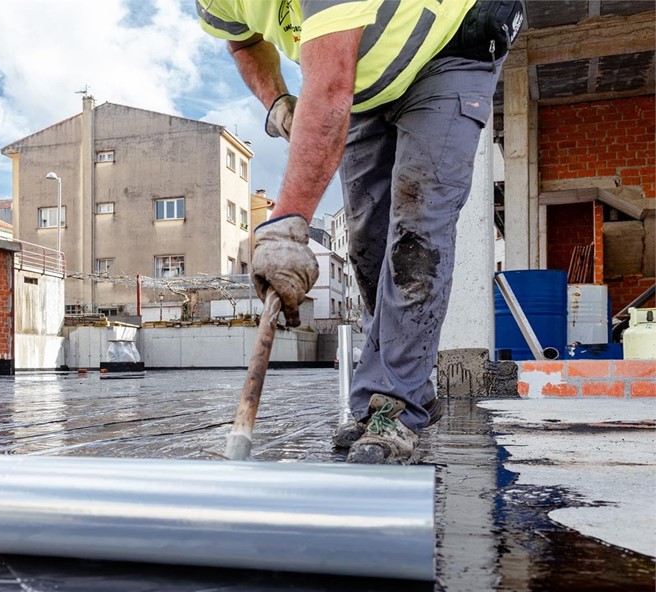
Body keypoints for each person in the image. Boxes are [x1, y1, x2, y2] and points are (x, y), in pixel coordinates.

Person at [197, 0, 523, 463]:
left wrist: (287, 227)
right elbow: (243, 39)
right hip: (368, 84)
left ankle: (394, 405)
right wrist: (277, 102)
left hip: (451, 50)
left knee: (417, 233)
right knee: (367, 245)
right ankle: (387, 398)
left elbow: (330, 90)